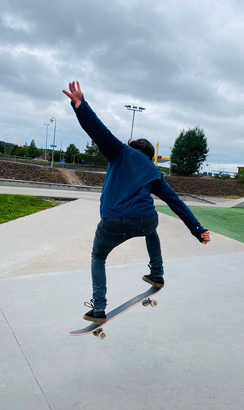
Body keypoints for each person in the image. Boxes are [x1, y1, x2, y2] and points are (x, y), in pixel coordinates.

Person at [63, 81, 211, 323]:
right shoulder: (153, 172)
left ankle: (98, 308)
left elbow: (99, 132)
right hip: (145, 219)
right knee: (152, 231)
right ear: (150, 156)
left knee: (98, 257)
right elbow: (176, 203)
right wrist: (198, 230)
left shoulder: (120, 152)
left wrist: (81, 107)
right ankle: (157, 274)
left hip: (113, 221)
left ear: (133, 147)